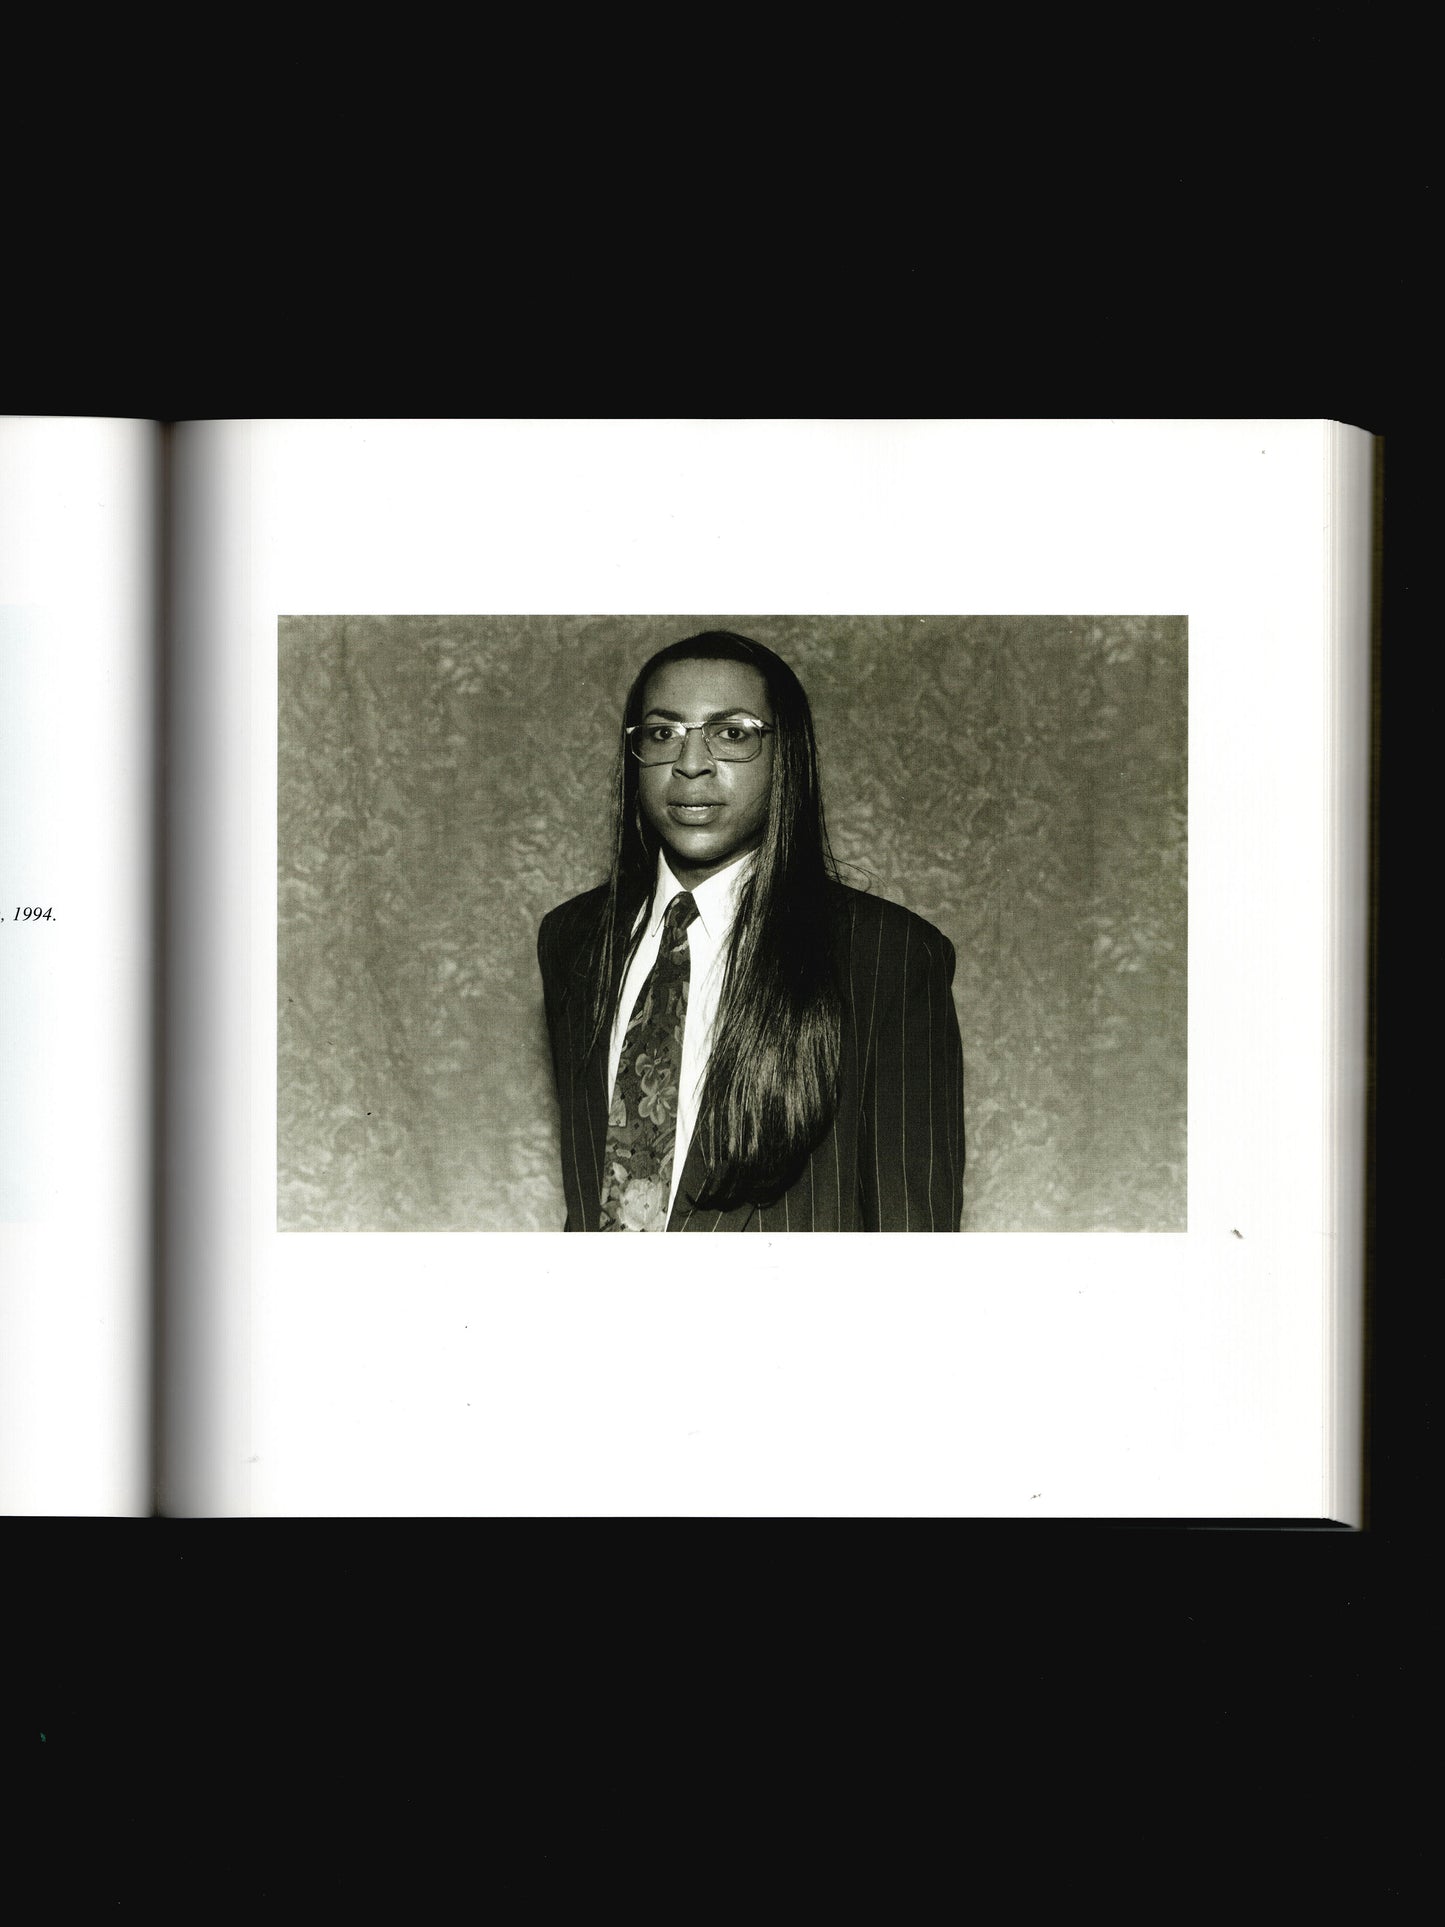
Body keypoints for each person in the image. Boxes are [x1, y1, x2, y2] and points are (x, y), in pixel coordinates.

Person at [536, 631, 965, 1232]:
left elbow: (913, 1233)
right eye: (662, 733)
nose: (691, 763)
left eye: (732, 733)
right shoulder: (573, 938)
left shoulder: (886, 957)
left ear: (785, 756)